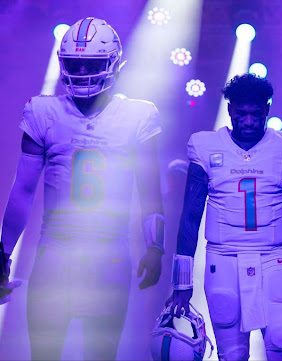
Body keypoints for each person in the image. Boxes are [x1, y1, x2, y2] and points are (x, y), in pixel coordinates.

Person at [0, 17, 164, 360]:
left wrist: (155, 246)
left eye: (92, 64)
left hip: (109, 254)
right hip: (56, 252)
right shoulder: (45, 112)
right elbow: (23, 190)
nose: (84, 72)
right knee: (44, 355)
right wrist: (3, 250)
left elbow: (149, 189)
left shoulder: (135, 116)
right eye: (76, 64)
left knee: (100, 355)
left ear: (113, 64)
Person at [169, 73, 282, 361]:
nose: (248, 121)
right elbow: (190, 216)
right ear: (230, 109)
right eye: (242, 114)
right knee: (231, 354)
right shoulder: (205, 146)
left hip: (274, 256)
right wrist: (182, 282)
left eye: (256, 114)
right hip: (223, 257)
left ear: (268, 110)